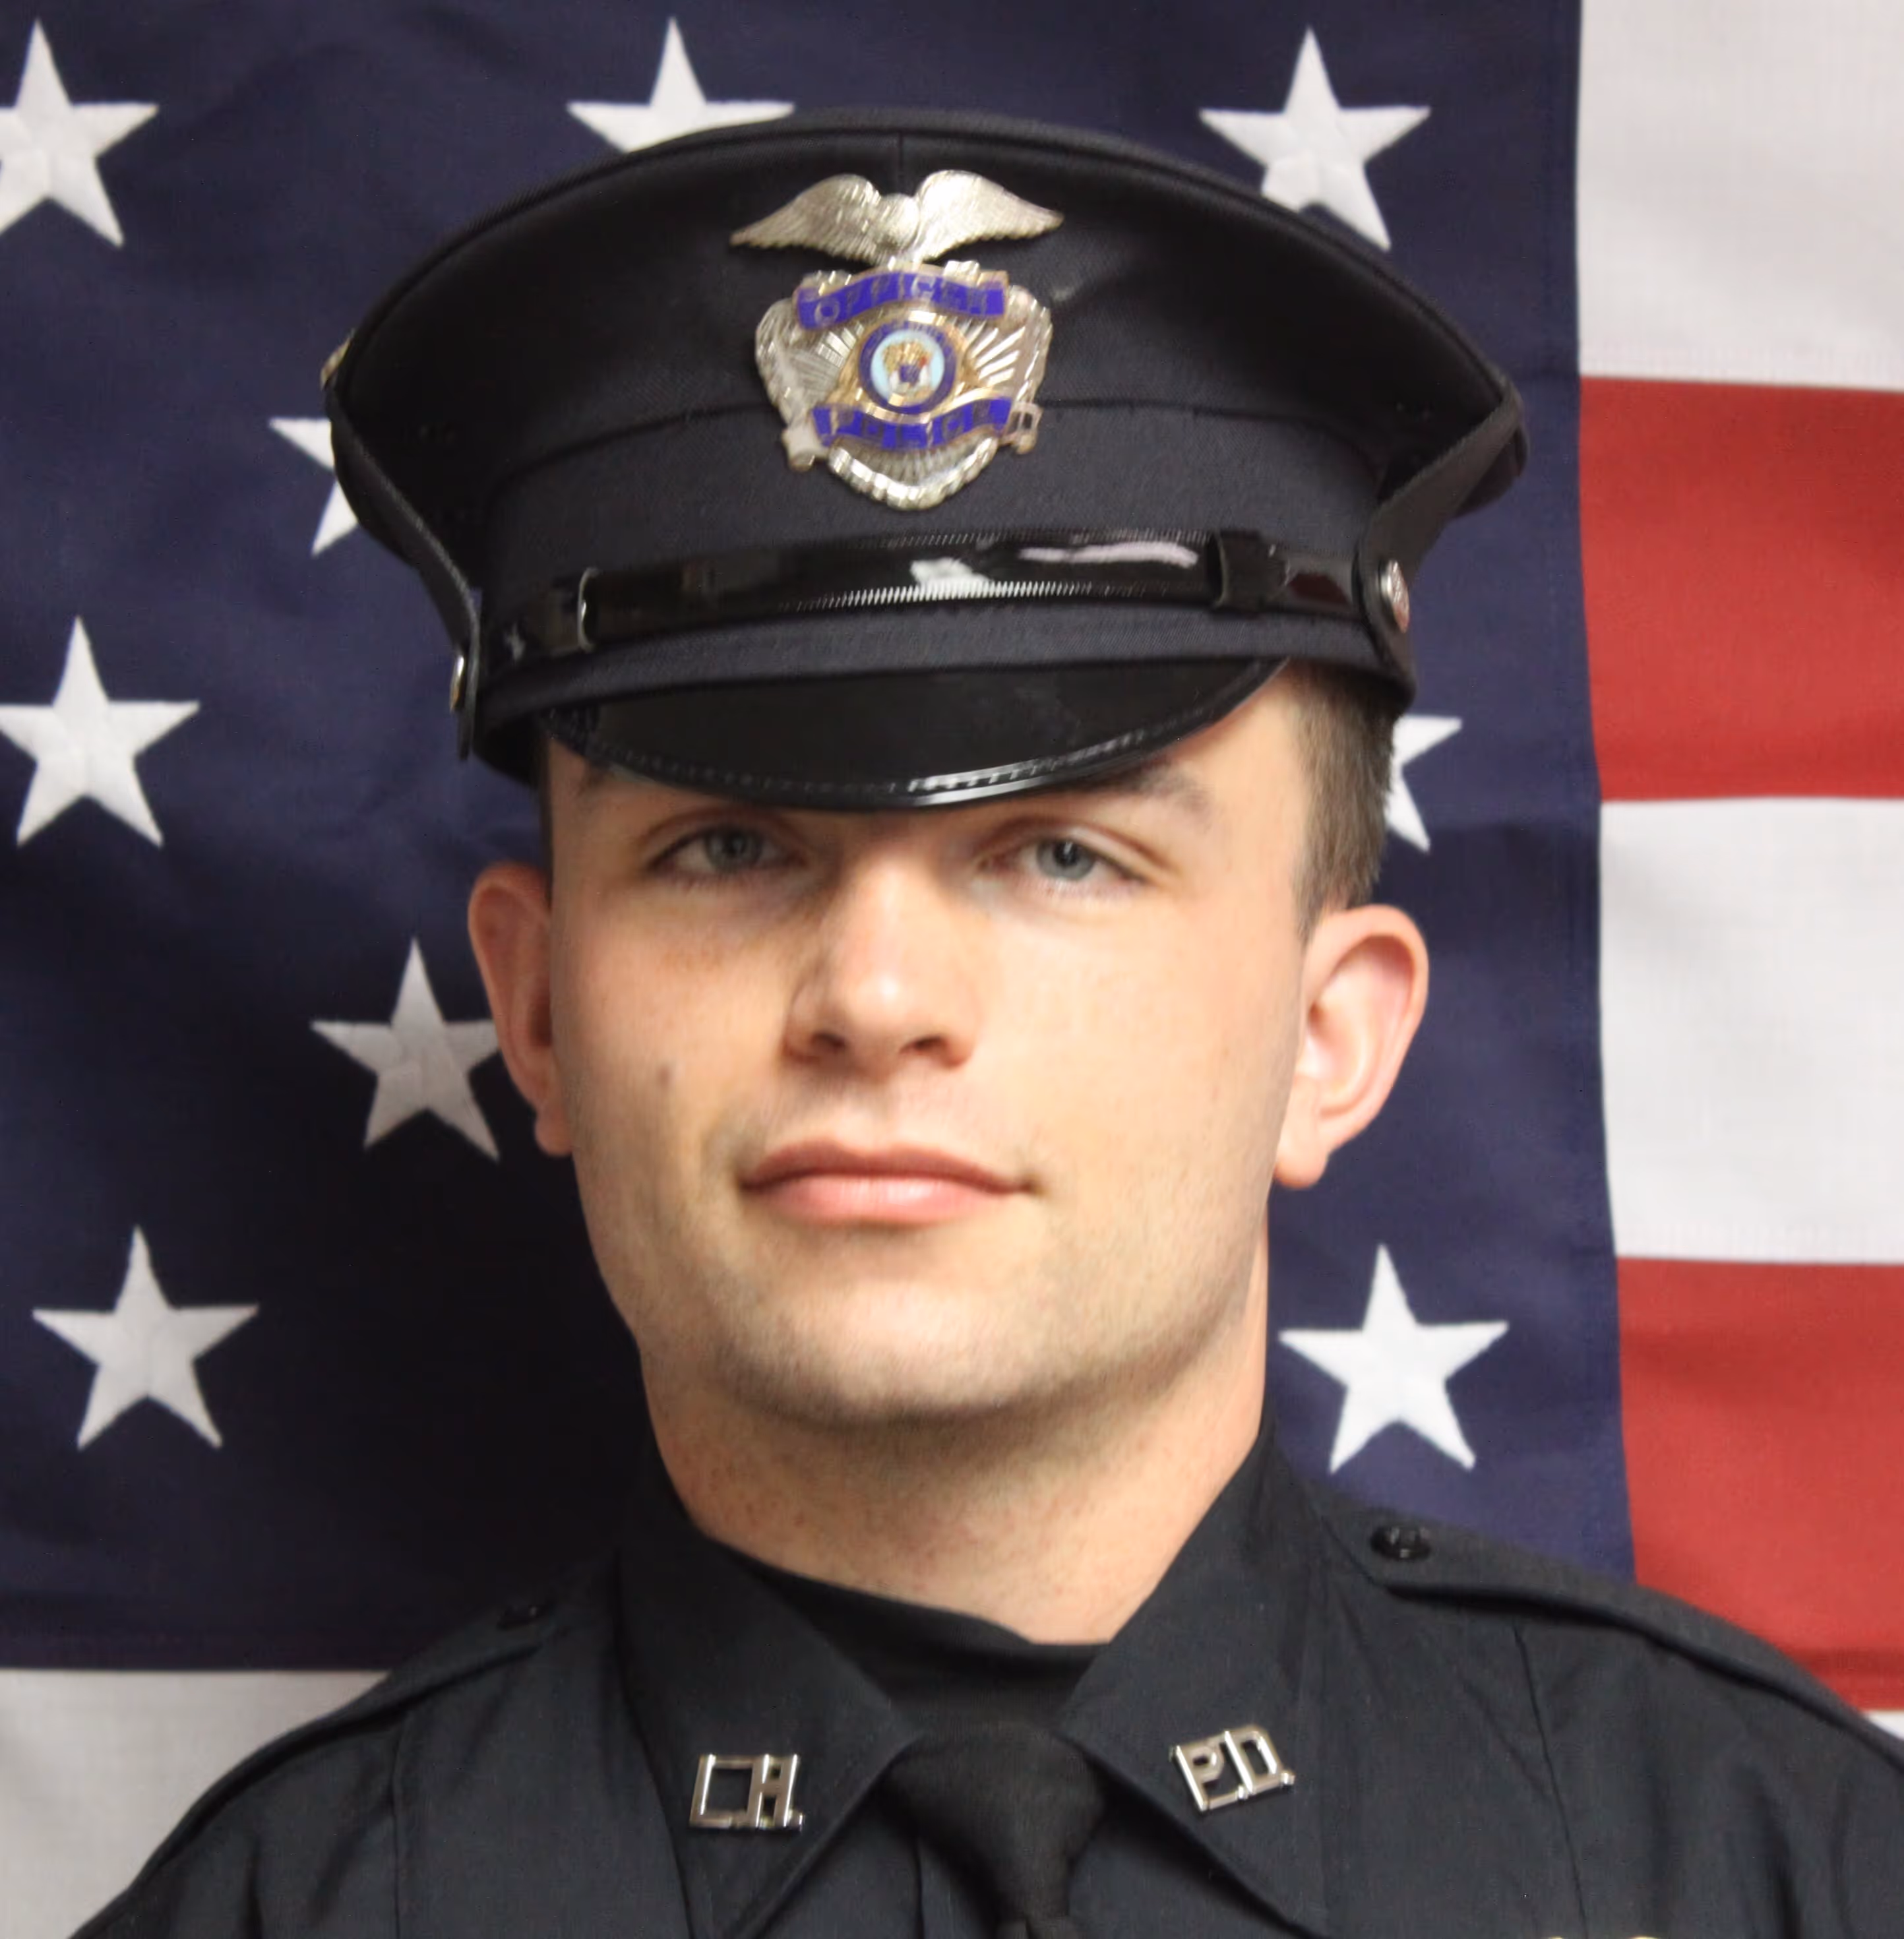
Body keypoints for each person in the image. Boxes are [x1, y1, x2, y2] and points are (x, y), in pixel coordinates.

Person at [76, 110, 1903, 1939]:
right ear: (537, 1006)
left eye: (1061, 853)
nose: (875, 999)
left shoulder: (1766, 1868)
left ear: (1330, 1033)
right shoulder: (283, 1910)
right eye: (726, 846)